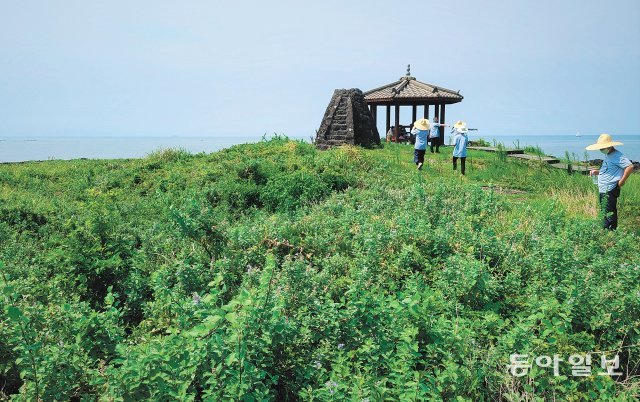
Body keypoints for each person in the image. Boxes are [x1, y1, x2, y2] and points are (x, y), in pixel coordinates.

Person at [586, 133, 634, 230]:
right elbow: (609, 170)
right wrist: (598, 172)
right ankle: (606, 232)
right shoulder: (609, 154)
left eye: (602, 148)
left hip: (610, 189)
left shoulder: (617, 155)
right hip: (604, 189)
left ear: (609, 146)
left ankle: (610, 235)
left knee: (609, 214)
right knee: (605, 211)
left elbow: (630, 166)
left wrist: (621, 181)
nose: (601, 150)